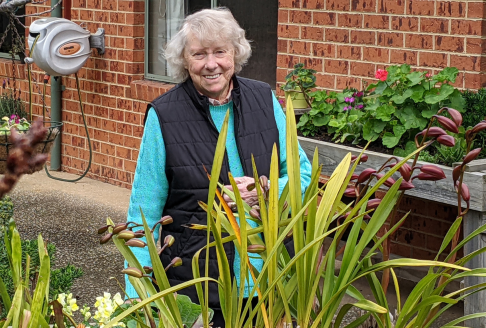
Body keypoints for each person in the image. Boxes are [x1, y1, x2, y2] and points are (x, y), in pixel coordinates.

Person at [125, 7, 312, 327]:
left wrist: (266, 189)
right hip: (195, 282)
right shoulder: (164, 115)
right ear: (184, 60)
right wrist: (138, 294)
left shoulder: (264, 99)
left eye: (220, 52)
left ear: (235, 54)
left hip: (268, 279)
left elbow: (302, 176)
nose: (211, 64)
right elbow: (144, 210)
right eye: (199, 54)